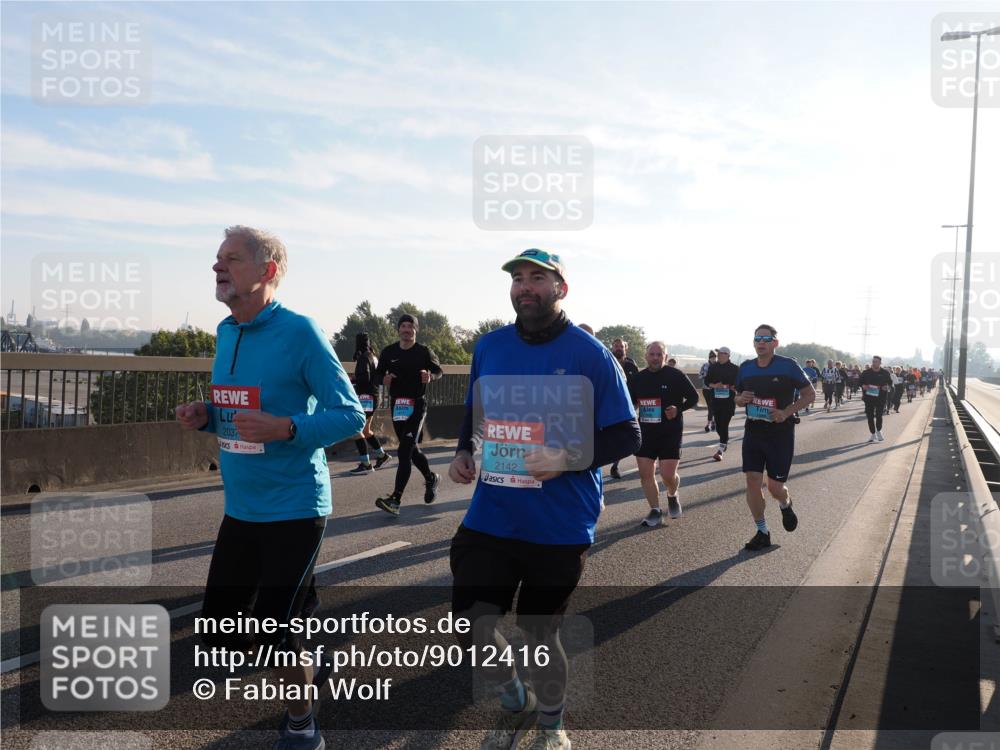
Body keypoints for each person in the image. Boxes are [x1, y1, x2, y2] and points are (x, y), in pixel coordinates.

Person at [176, 226, 365, 750]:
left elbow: (351, 414)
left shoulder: (301, 332)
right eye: (217, 259)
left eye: (231, 259)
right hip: (242, 510)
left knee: (270, 635)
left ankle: (303, 722)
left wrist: (288, 428)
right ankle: (313, 654)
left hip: (295, 507)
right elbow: (239, 416)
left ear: (267, 271)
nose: (218, 267)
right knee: (218, 636)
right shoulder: (225, 332)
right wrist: (206, 417)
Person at [448, 248, 639, 750]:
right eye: (517, 278)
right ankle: (514, 694)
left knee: (539, 634)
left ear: (561, 289)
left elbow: (627, 435)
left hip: (558, 523)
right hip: (491, 514)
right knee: (470, 624)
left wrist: (566, 458)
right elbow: (475, 410)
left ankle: (552, 725)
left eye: (537, 277)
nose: (524, 286)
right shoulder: (489, 346)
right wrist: (464, 452)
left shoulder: (590, 354)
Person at [734, 324, 814, 552]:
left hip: (780, 433)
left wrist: (785, 412)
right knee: (752, 479)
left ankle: (785, 503)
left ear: (775, 343)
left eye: (766, 339)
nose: (761, 342)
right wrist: (740, 399)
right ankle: (762, 531)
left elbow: (810, 394)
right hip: (754, 431)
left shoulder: (788, 366)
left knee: (775, 487)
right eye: (757, 338)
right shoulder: (746, 368)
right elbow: (737, 396)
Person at [372, 315, 443, 515]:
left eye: (410, 327)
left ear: (415, 330)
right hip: (398, 406)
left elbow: (439, 371)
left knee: (404, 450)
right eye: (403, 326)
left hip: (417, 405)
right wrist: (383, 379)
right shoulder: (389, 352)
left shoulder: (423, 352)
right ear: (398, 330)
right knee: (411, 450)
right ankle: (431, 478)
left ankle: (395, 499)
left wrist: (431, 376)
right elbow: (377, 376)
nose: (406, 330)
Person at [629, 341, 699, 524]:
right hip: (646, 432)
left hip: (670, 431)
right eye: (652, 354)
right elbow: (630, 402)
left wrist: (679, 408)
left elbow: (694, 397)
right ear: (646, 356)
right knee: (646, 474)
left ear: (665, 357)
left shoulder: (675, 375)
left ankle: (672, 493)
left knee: (668, 475)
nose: (655, 358)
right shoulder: (637, 378)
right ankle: (655, 510)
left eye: (659, 354)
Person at [348, 332, 392, 474]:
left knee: (357, 430)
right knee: (366, 430)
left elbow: (363, 378)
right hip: (374, 396)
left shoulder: (363, 358)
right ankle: (382, 455)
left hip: (365, 397)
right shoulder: (373, 356)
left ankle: (366, 465)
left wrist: (352, 380)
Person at [609, 337, 640, 479]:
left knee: (622, 435)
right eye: (616, 346)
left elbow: (639, 385)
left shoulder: (631, 366)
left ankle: (615, 466)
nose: (618, 348)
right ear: (612, 348)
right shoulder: (607, 362)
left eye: (621, 346)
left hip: (629, 405)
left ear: (625, 348)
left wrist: (638, 402)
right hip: (609, 403)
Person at [705, 346, 740, 461]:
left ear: (727, 355)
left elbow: (740, 384)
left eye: (720, 353)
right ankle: (724, 442)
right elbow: (706, 381)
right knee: (719, 427)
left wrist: (733, 387)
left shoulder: (735, 368)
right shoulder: (713, 367)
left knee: (724, 425)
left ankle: (720, 450)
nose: (718, 355)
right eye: (718, 353)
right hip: (715, 401)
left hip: (729, 402)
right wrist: (715, 385)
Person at [860, 355, 893, 443]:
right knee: (870, 416)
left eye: (876, 361)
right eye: (873, 361)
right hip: (869, 397)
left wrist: (887, 387)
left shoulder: (885, 373)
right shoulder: (866, 372)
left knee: (879, 415)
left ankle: (879, 431)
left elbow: (890, 383)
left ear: (880, 363)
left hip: (880, 397)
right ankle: (873, 433)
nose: (874, 363)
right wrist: (863, 386)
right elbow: (860, 382)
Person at [700, 350, 718, 433]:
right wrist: (706, 376)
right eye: (712, 358)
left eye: (714, 357)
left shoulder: (718, 365)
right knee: (710, 407)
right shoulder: (705, 365)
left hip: (715, 390)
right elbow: (700, 375)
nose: (713, 359)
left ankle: (708, 424)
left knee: (712, 407)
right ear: (709, 358)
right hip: (706, 389)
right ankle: (713, 422)